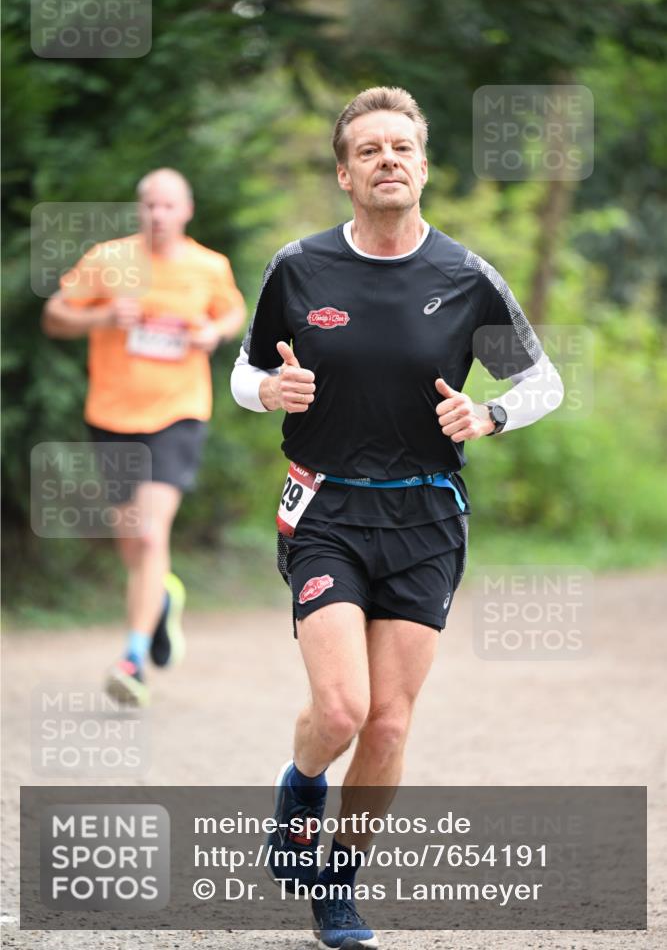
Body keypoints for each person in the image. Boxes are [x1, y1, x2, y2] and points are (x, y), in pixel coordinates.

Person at [230, 87, 564, 948]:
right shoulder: (300, 268)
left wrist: (489, 415)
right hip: (326, 508)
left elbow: (541, 384)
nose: (387, 161)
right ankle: (300, 784)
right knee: (340, 712)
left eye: (401, 149)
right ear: (344, 173)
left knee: (387, 723)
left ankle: (337, 885)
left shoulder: (460, 278)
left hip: (425, 519)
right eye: (369, 150)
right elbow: (240, 374)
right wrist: (266, 390)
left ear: (422, 168)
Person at [42, 168, 246, 706]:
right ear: (139, 210)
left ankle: (132, 657)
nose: (157, 215)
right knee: (133, 543)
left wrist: (211, 332)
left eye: (167, 206)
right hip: (111, 414)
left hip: (178, 412)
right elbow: (56, 316)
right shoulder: (108, 260)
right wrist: (104, 315)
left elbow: (233, 313)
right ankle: (163, 598)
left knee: (152, 535)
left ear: (187, 210)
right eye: (148, 206)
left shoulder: (209, 266)